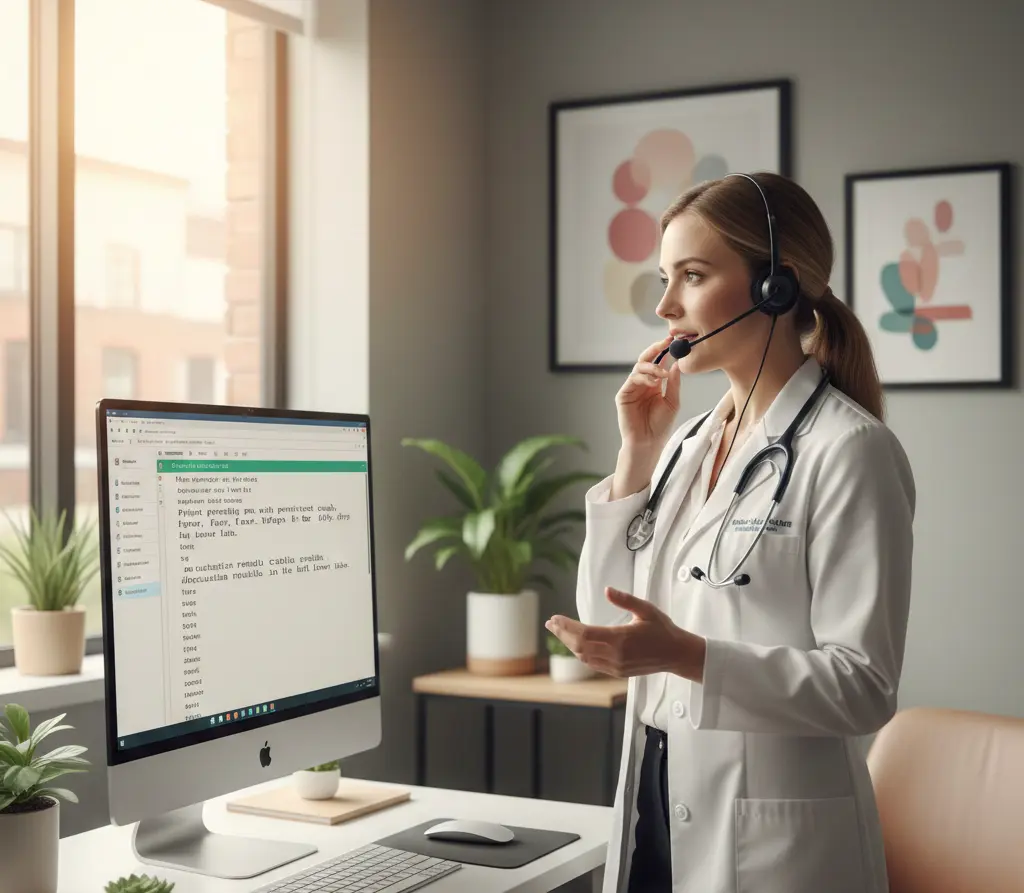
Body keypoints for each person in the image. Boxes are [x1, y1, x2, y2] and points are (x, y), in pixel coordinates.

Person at [545, 172, 915, 893]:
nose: (665, 306)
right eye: (665, 278)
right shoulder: (684, 444)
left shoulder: (850, 451)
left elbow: (864, 687)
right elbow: (605, 619)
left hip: (774, 844)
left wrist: (689, 655)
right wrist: (636, 454)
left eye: (692, 275)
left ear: (777, 285)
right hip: (656, 795)